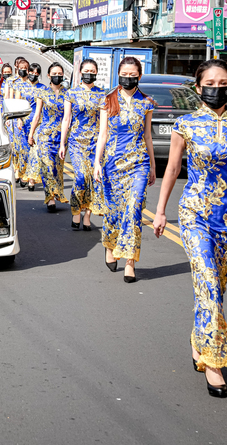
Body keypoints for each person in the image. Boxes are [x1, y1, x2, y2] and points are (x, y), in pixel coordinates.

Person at [153, 59, 227, 398]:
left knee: (216, 289)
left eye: (223, 82)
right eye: (210, 82)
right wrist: (160, 211)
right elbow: (173, 168)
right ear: (198, 87)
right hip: (195, 214)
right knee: (206, 282)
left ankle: (199, 341)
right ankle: (214, 363)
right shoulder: (185, 124)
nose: (217, 87)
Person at [93, 57, 156, 283]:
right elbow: (102, 135)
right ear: (118, 75)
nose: (128, 78)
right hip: (113, 164)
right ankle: (111, 246)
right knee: (114, 211)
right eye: (124, 74)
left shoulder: (146, 102)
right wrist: (96, 163)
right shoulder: (107, 100)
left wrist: (152, 166)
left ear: (139, 76)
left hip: (138, 163)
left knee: (134, 209)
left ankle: (130, 260)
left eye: (132, 75)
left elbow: (148, 136)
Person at [59, 58, 104, 230]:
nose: (89, 74)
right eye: (87, 71)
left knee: (94, 180)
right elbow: (66, 119)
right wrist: (63, 143)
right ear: (80, 72)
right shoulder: (71, 93)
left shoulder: (102, 94)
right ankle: (76, 211)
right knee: (81, 178)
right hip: (77, 142)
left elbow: (103, 122)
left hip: (96, 143)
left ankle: (87, 215)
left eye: (93, 72)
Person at [28, 62, 67, 212]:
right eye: (54, 74)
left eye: (60, 74)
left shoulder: (68, 94)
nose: (57, 77)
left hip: (61, 136)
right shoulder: (43, 93)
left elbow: (69, 117)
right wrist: (31, 133)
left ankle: (55, 193)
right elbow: (37, 114)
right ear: (48, 76)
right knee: (47, 166)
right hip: (44, 135)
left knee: (57, 167)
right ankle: (50, 197)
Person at [11, 59, 37, 189]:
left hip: (34, 122)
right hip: (21, 121)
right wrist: (19, 119)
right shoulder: (19, 86)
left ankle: (30, 176)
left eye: (26, 69)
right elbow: (16, 103)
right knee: (22, 149)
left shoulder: (37, 87)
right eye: (22, 68)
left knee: (33, 151)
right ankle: (21, 172)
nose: (24, 71)